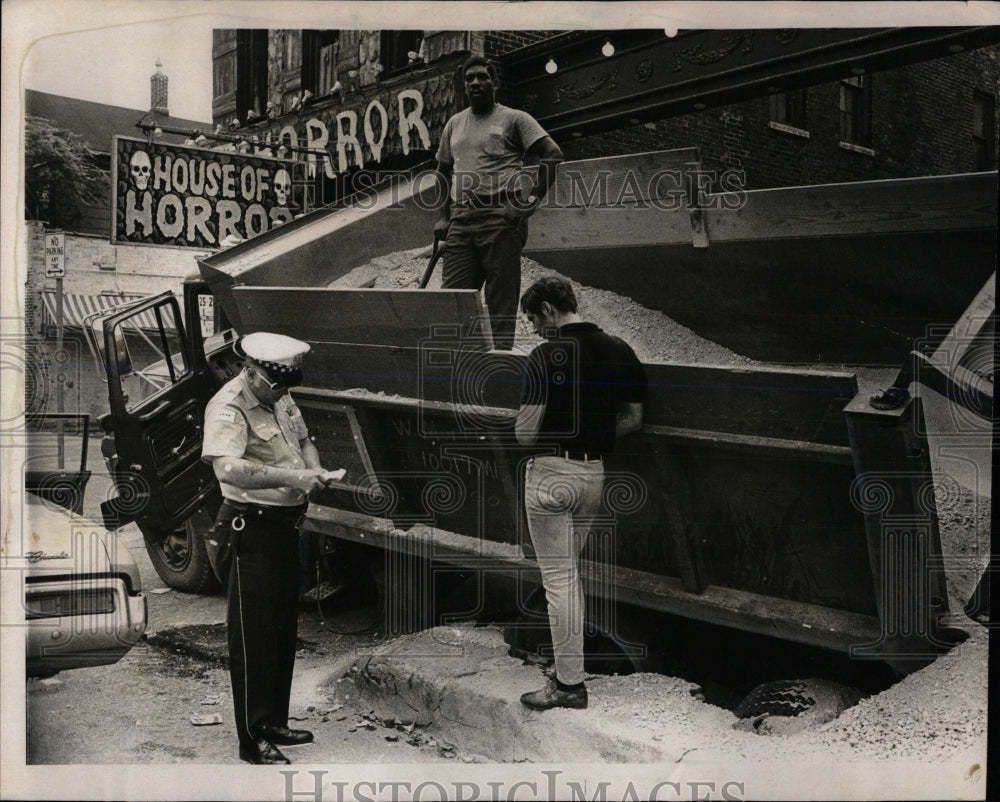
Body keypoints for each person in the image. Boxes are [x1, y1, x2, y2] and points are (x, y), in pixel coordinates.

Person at [201, 332, 344, 764]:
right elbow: (229, 468)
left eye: (287, 385)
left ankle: (273, 720)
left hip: (283, 525)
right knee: (252, 636)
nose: (283, 391)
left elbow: (302, 438)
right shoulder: (228, 405)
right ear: (251, 371)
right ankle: (251, 739)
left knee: (282, 629)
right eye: (275, 383)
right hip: (250, 528)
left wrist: (314, 469)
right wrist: (293, 479)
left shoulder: (279, 395)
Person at [515, 276, 646, 710]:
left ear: (550, 310)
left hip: (551, 476)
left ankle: (569, 685)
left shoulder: (543, 355)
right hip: (594, 474)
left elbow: (524, 432)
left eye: (533, 318)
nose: (533, 329)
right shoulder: (619, 348)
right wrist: (592, 432)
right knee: (569, 578)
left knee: (559, 582)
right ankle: (565, 672)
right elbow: (633, 418)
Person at [434, 55, 564, 351]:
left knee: (500, 304)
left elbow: (553, 154)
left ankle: (499, 372)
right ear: (464, 86)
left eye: (482, 76)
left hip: (501, 217)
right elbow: (441, 171)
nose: (476, 82)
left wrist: (529, 200)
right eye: (470, 78)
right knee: (453, 299)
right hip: (462, 218)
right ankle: (461, 368)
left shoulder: (514, 118)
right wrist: (443, 217)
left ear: (495, 83)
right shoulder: (454, 124)